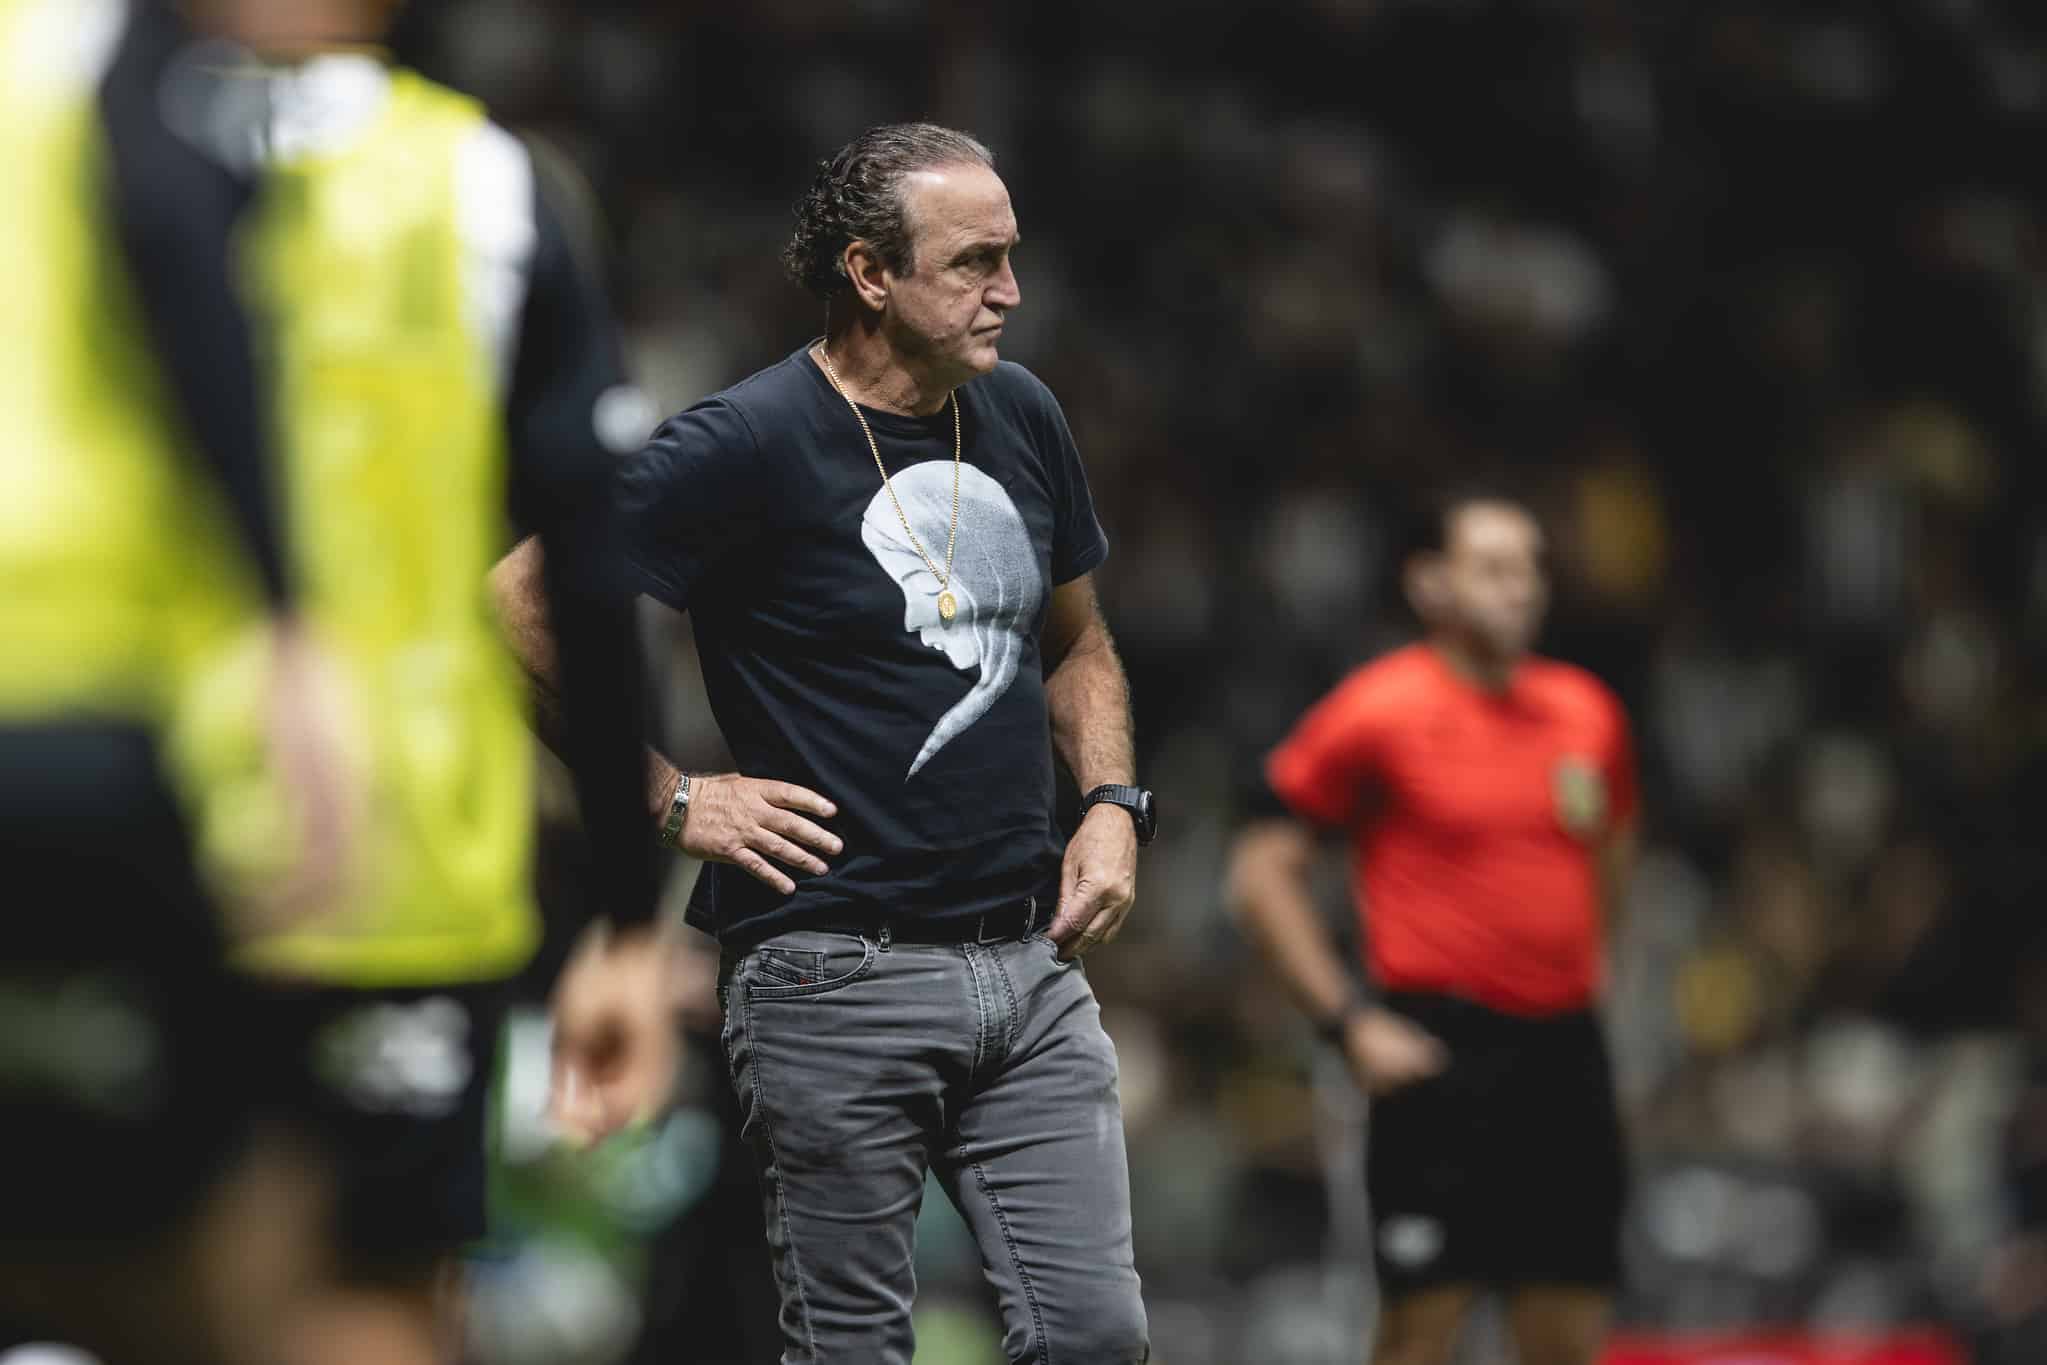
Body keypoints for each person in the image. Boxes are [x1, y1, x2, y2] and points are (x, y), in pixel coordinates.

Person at [494, 122, 1155, 1364]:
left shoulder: (1019, 412)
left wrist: (1114, 800)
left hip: (1029, 968)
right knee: (853, 1350)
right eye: (972, 263)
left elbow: (1080, 645)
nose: (1008, 290)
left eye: (1010, 258)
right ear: (868, 273)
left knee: (1098, 1337)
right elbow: (521, 602)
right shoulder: (747, 438)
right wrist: (668, 795)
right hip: (831, 973)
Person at [159, 3, 678, 1360]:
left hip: (97, 815)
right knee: (367, 1298)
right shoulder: (479, 188)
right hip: (378, 869)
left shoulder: (39, 131)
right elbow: (585, 562)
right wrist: (626, 911)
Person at [0, 1, 356, 1361]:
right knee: (198, 1227)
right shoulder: (94, 42)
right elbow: (164, 227)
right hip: (75, 689)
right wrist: (289, 619)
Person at [1228, 488, 1639, 1365]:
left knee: (1568, 1331)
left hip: (1564, 1051)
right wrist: (1347, 1021)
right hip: (1436, 1050)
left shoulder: (1586, 712)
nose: (1519, 589)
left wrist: (1581, 965)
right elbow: (1261, 871)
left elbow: (1612, 851)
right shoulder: (1378, 710)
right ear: (1429, 585)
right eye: (1491, 568)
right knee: (1421, 1331)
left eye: (1529, 567)